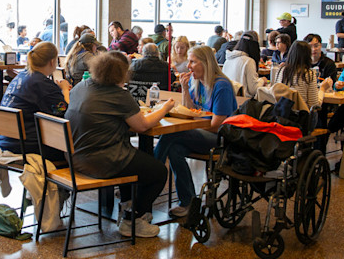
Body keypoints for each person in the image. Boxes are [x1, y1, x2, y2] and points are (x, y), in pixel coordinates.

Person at [66, 51, 175, 236]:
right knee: (158, 172)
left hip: (75, 157)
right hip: (102, 161)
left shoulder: (80, 87)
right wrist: (165, 108)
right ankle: (134, 220)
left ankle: (127, 205)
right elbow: (143, 126)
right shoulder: (118, 95)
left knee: (132, 157)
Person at [155, 45, 237, 217]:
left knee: (172, 134)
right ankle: (188, 202)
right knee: (175, 149)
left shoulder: (221, 86)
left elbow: (216, 126)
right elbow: (190, 112)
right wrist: (185, 89)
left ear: (206, 63)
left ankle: (150, 175)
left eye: (193, 62)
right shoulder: (197, 82)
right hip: (200, 135)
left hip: (220, 140)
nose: (189, 66)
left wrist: (188, 127)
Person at [0, 41, 70, 162]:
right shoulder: (43, 84)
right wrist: (65, 90)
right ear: (52, 61)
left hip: (4, 141)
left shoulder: (20, 77)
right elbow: (65, 114)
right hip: (28, 146)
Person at [268, 41, 321, 109]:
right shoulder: (308, 74)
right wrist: (322, 90)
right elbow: (313, 104)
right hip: (300, 115)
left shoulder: (280, 70)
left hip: (281, 113)